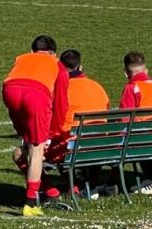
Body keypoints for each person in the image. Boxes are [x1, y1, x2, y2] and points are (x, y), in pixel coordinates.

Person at [2, 35, 69, 216]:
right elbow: (61, 104)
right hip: (36, 93)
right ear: (54, 54)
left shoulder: (21, 58)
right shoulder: (58, 65)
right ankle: (31, 202)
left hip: (9, 89)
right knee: (36, 149)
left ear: (32, 51)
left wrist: (21, 129)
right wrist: (54, 131)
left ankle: (50, 191)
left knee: (27, 143)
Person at [44, 49, 110, 190]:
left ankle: (73, 187)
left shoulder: (60, 89)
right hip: (99, 144)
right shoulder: (97, 87)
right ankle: (90, 185)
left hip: (70, 147)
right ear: (80, 67)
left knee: (36, 149)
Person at [119, 51, 152, 194]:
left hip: (146, 142)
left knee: (135, 136)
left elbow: (125, 120)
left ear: (126, 73)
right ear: (146, 70)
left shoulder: (132, 88)